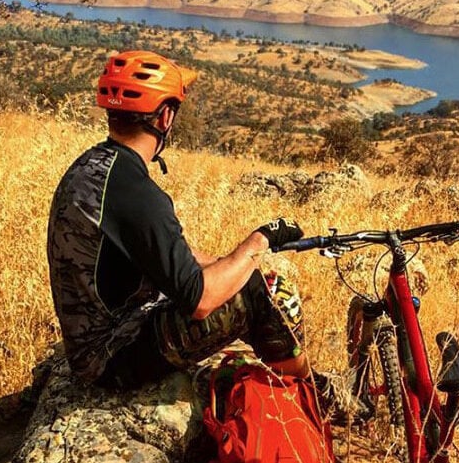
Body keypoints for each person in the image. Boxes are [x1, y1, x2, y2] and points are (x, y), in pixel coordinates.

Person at [47, 50, 310, 390]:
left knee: (240, 278)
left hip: (95, 344)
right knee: (261, 292)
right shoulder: (136, 193)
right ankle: (310, 392)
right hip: (109, 360)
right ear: (165, 117)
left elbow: (168, 254)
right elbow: (199, 301)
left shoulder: (94, 167)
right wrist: (260, 241)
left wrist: (223, 264)